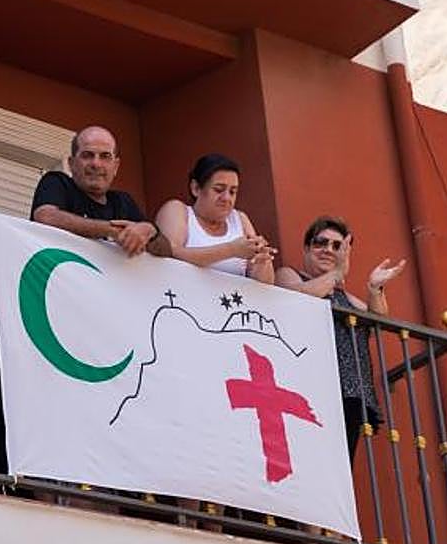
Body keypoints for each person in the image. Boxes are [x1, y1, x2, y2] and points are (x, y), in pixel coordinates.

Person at [275, 216, 406, 459]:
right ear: (307, 248)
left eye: (337, 246)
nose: (328, 250)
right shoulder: (289, 275)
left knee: (340, 463)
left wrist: (374, 289)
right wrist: (337, 274)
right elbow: (295, 298)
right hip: (308, 385)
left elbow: (377, 320)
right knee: (307, 458)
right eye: (320, 242)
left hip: (350, 391)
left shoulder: (348, 299)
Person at [31, 126, 170, 257]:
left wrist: (150, 231)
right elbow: (45, 216)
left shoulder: (123, 202)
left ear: (116, 167)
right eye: (87, 155)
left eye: (105, 156)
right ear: (71, 164)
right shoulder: (58, 182)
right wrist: (112, 230)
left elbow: (166, 252)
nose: (96, 164)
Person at [154, 153, 275, 283]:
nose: (226, 198)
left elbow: (266, 283)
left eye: (232, 192)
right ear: (196, 188)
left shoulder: (239, 219)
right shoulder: (178, 210)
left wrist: (262, 261)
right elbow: (170, 254)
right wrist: (231, 250)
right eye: (218, 190)